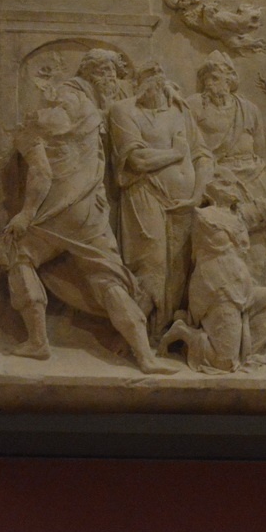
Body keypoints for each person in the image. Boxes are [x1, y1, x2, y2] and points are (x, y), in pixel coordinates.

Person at [0, 68, 176, 374]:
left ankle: (38, 341)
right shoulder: (95, 116)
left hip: (54, 213)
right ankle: (145, 356)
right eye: (108, 78)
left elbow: (41, 173)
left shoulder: (38, 123)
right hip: (91, 212)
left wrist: (26, 214)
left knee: (18, 252)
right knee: (108, 280)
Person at [108, 62, 212, 335]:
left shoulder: (180, 111)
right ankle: (134, 336)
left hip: (184, 204)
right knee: (151, 266)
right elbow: (137, 160)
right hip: (146, 196)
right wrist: (175, 154)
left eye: (158, 77)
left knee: (178, 271)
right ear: (136, 83)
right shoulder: (123, 111)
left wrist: (197, 195)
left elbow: (202, 155)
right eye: (147, 78)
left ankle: (160, 335)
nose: (154, 83)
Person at [159, 175, 266, 374]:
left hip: (241, 287)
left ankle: (242, 352)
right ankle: (185, 333)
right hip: (218, 289)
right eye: (225, 183)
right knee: (223, 364)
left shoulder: (239, 217)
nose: (233, 186)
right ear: (211, 191)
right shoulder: (203, 216)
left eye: (233, 183)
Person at [186, 50, 266, 279]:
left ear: (230, 79)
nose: (209, 83)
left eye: (215, 77)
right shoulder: (194, 106)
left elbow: (262, 152)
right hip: (218, 182)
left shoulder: (249, 109)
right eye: (206, 78)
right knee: (220, 242)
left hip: (253, 180)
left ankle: (258, 287)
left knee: (256, 246)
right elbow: (186, 147)